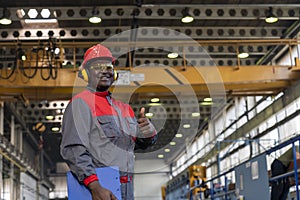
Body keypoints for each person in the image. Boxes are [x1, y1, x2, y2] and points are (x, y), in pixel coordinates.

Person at [60, 44, 157, 200]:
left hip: (126, 190)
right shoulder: (80, 104)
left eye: (109, 66)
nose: (105, 70)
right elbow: (73, 149)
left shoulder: (124, 108)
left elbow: (136, 144)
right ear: (86, 73)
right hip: (100, 191)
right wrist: (94, 186)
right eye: (97, 66)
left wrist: (148, 132)